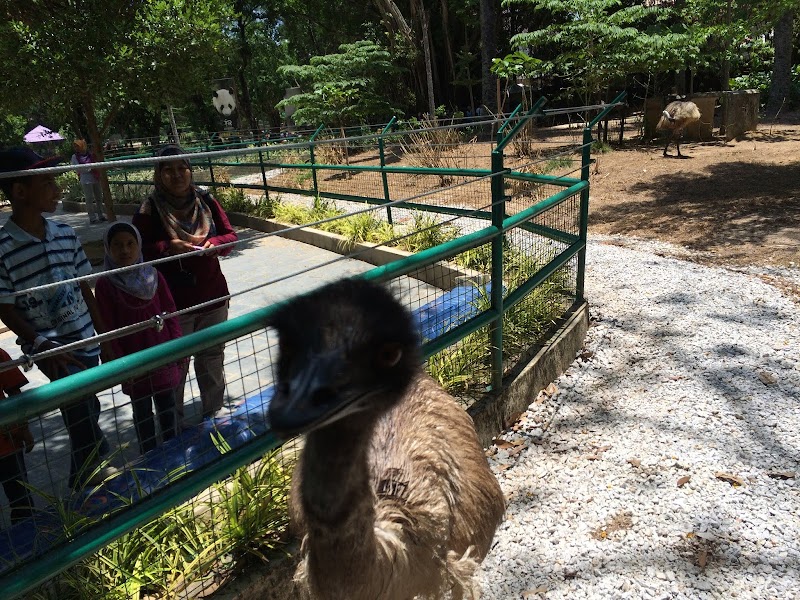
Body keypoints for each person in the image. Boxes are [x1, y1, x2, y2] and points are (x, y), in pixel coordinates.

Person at [0, 147, 110, 491]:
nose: (57, 190)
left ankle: (83, 485)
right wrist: (41, 342)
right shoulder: (2, 248)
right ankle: (90, 486)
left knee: (86, 409)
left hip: (84, 337)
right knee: (82, 416)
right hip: (51, 347)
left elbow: (84, 287)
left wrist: (105, 334)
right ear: (20, 191)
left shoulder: (65, 233)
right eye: (46, 182)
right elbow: (4, 306)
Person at [132, 145, 238, 423]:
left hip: (212, 296)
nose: (177, 175)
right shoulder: (149, 209)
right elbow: (136, 250)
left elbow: (230, 237)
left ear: (190, 170)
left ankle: (214, 415)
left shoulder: (206, 200)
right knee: (175, 366)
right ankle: (173, 426)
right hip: (173, 304)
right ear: (158, 174)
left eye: (182, 168)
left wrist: (212, 244)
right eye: (168, 169)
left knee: (212, 359)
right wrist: (168, 247)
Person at [95, 222, 182, 454]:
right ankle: (150, 461)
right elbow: (108, 327)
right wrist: (122, 364)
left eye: (130, 244)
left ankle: (173, 455)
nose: (125, 250)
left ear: (139, 245)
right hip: (133, 362)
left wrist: (177, 346)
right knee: (142, 414)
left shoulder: (153, 275)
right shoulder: (105, 284)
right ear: (108, 249)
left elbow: (171, 311)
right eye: (117, 245)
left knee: (168, 407)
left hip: (162, 354)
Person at [0, 348, 35, 524]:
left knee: (21, 497)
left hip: (7, 443)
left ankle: (29, 540)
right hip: (7, 441)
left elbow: (14, 392)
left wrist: (23, 428)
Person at [70, 139, 106, 224]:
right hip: (85, 180)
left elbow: (96, 163)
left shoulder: (90, 155)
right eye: (75, 146)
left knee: (99, 198)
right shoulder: (74, 157)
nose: (76, 148)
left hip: (95, 178)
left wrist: (93, 169)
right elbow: (78, 168)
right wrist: (90, 168)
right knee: (89, 199)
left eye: (78, 146)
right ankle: (92, 218)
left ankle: (101, 215)